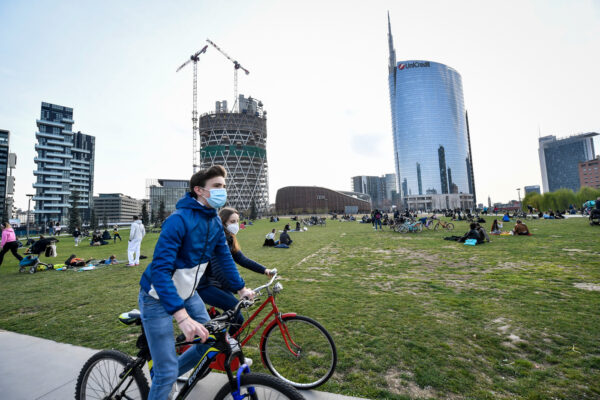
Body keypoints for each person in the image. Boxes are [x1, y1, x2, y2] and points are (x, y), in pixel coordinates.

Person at [138, 165, 254, 400]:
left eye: (224, 186)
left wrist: (241, 288)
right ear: (199, 190)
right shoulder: (178, 220)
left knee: (208, 342)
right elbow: (160, 271)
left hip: (189, 294)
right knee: (167, 370)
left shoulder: (213, 223)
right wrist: (182, 318)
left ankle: (166, 376)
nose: (223, 191)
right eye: (217, 186)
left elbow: (224, 258)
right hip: (156, 297)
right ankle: (166, 377)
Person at [197, 207, 273, 333]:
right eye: (232, 222)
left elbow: (242, 259)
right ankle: (229, 349)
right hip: (204, 285)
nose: (236, 225)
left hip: (214, 283)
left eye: (237, 221)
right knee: (237, 317)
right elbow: (218, 270)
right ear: (222, 222)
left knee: (232, 316)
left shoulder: (229, 238)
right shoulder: (220, 239)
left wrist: (264, 270)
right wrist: (238, 290)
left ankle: (224, 344)